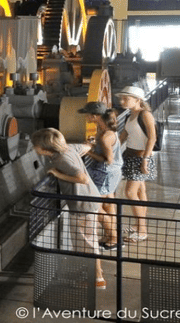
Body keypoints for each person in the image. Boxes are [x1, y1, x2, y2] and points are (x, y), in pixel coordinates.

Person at [31, 127, 106, 289]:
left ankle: (97, 279)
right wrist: (89, 144)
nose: (33, 148)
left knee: (87, 244)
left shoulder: (61, 160)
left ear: (45, 148)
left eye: (35, 145)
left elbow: (82, 178)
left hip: (82, 204)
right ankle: (95, 274)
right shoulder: (68, 149)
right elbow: (85, 148)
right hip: (89, 199)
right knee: (88, 241)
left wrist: (57, 174)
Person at [78, 101, 124, 249]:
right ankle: (111, 234)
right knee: (108, 204)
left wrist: (88, 152)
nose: (85, 117)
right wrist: (93, 143)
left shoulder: (105, 136)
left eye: (87, 114)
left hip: (104, 173)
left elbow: (108, 160)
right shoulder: (105, 130)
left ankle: (115, 238)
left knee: (95, 207)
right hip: (111, 174)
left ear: (95, 116)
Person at [117, 85, 157, 243]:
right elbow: (123, 137)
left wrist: (145, 160)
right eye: (122, 98)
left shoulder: (145, 114)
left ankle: (142, 230)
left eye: (126, 98)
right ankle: (139, 225)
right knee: (140, 192)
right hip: (131, 156)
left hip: (141, 158)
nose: (122, 101)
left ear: (138, 100)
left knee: (130, 193)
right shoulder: (130, 115)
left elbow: (152, 138)